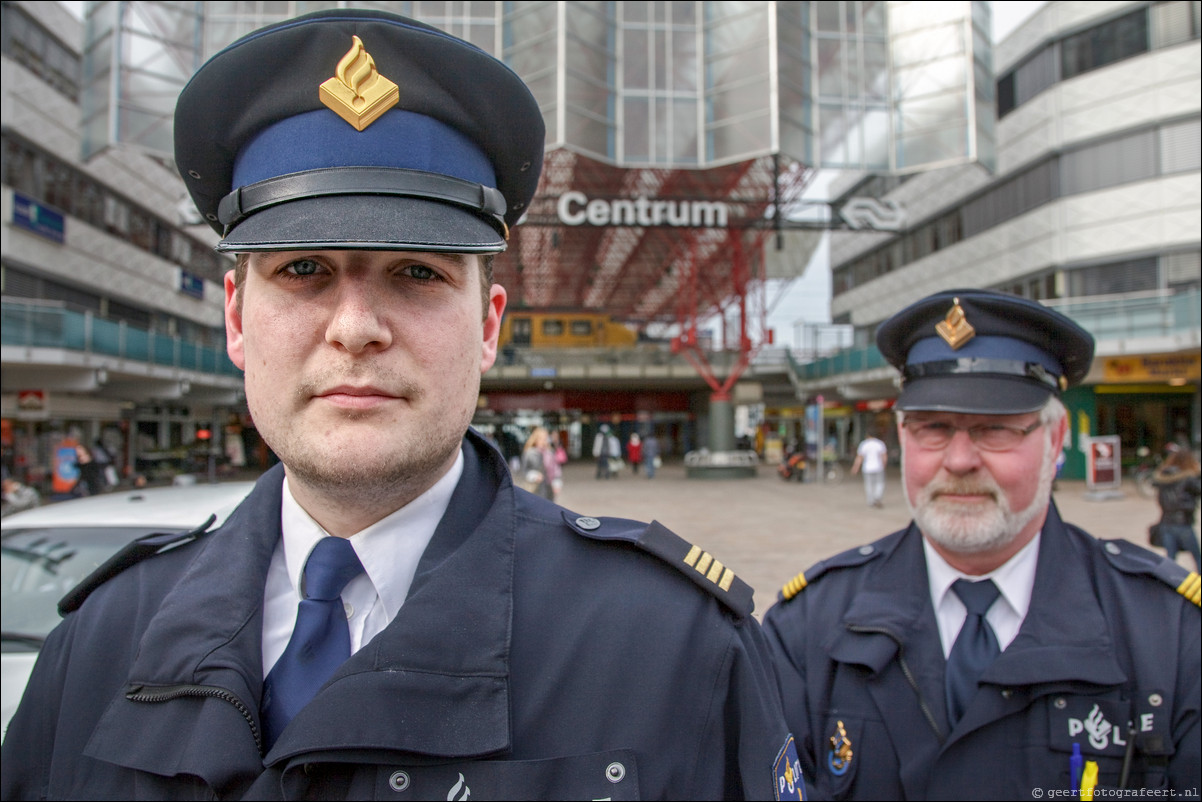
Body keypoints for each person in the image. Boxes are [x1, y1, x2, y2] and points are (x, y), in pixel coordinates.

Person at [0, 10, 801, 801]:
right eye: (305, 268)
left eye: (417, 273)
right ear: (235, 318)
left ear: (488, 327)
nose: (355, 329)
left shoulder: (676, 649)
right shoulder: (98, 644)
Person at [763, 289, 1200, 799]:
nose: (960, 460)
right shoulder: (807, 628)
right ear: (904, 436)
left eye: (996, 429)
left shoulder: (1171, 634)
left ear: (1055, 442)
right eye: (933, 428)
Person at [1152, 448, 1202, 570]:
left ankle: (1170, 584)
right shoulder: (1188, 478)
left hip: (1165, 522)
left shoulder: (1163, 477)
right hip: (1183, 523)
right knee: (1197, 557)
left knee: (1171, 560)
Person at [850, 429, 888, 508]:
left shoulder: (864, 444)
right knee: (880, 483)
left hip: (867, 468)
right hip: (878, 467)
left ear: (867, 435)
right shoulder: (880, 444)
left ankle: (871, 501)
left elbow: (859, 458)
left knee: (869, 484)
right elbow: (884, 457)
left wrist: (855, 467)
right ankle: (877, 496)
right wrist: (883, 465)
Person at [518, 426, 554, 500]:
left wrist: (556, 481)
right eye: (541, 439)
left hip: (548, 488)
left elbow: (555, 469)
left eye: (545, 438)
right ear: (536, 439)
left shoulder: (549, 453)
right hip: (535, 488)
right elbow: (524, 470)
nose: (544, 441)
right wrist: (534, 475)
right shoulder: (529, 453)